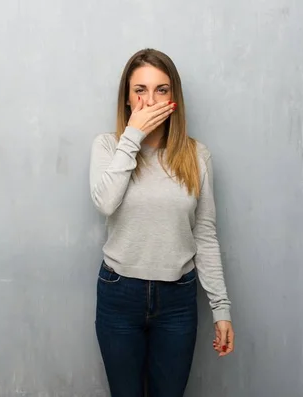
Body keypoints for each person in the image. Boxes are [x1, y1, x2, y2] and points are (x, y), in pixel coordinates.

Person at [89, 48, 235, 397]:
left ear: (174, 97)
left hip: (177, 299)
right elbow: (105, 203)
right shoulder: (108, 147)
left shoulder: (196, 155)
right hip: (119, 294)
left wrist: (221, 308)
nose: (150, 100)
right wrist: (133, 136)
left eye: (161, 90)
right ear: (127, 98)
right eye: (140, 90)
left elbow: (205, 234)